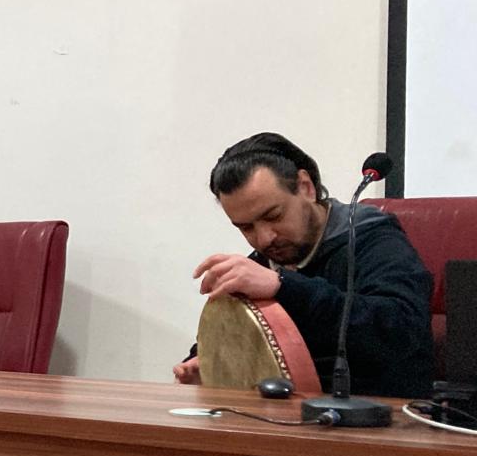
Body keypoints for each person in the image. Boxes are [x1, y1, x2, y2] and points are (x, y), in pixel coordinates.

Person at [175, 132, 433, 398]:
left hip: (378, 413)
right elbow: (233, 336)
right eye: (245, 227)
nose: (264, 238)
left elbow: (401, 330)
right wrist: (204, 363)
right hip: (282, 415)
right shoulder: (263, 262)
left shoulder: (375, 240)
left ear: (306, 187)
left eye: (274, 216)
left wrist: (283, 286)